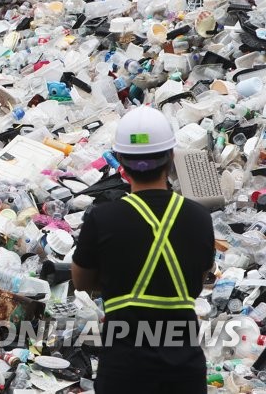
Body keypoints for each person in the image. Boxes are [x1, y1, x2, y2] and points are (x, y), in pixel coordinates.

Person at [72, 106, 215, 394]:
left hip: (124, 369)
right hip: (184, 370)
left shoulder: (101, 218)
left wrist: (116, 282)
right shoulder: (199, 217)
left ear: (121, 162)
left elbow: (82, 283)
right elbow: (196, 287)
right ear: (171, 157)